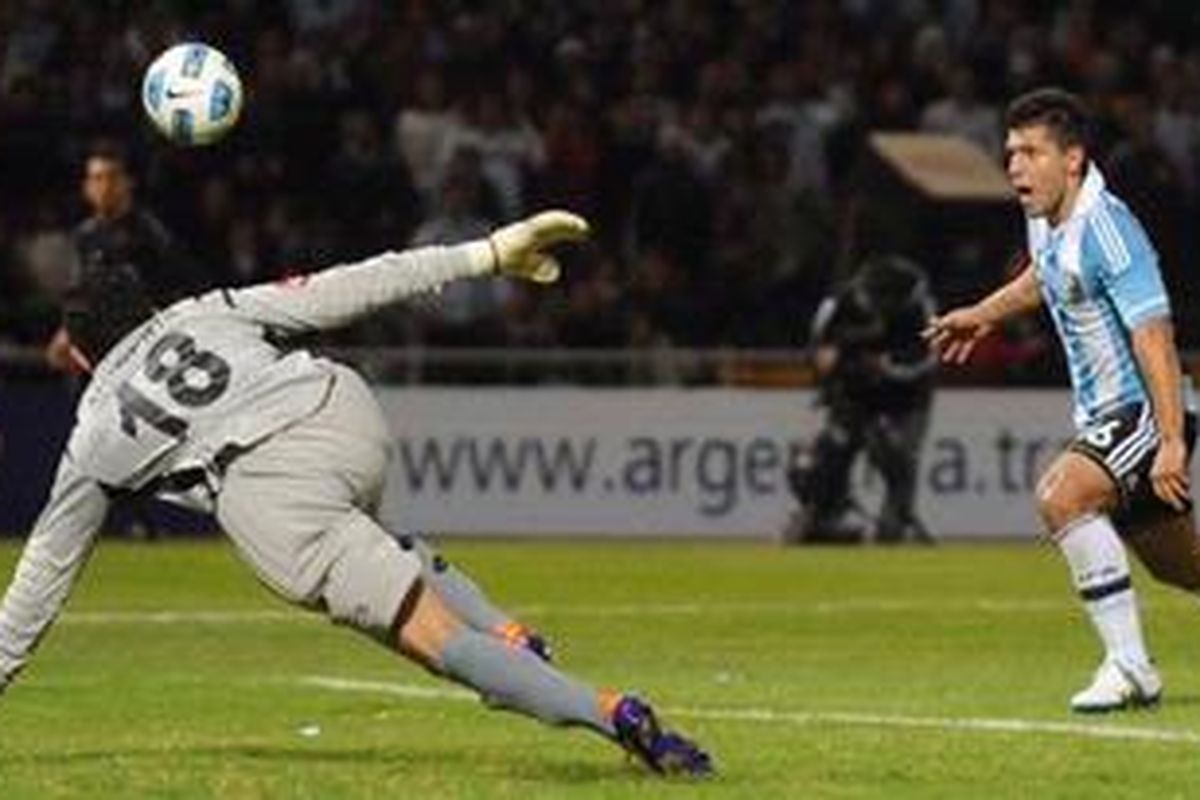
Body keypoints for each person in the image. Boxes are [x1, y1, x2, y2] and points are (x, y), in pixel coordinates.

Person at [0, 210, 713, 777]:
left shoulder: (94, 432)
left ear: (85, 354)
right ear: (146, 307)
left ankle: (614, 713)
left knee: (444, 649)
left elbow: (41, 579)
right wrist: (488, 253)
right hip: (341, 411)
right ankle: (508, 631)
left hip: (276, 495)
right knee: (380, 548)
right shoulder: (202, 310)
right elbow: (351, 284)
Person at [925, 88, 1200, 713]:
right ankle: (1133, 666)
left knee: (1062, 495)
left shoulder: (1111, 230)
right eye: (1010, 152)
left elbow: (1155, 337)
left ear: (1071, 159)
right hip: (1111, 417)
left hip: (1145, 411)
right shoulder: (1046, 219)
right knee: (1182, 568)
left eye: (1030, 152)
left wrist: (1171, 439)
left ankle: (1131, 668)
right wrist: (983, 314)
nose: (1015, 166)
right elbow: (1044, 277)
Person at [782, 255, 937, 545]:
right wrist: (831, 365)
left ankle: (895, 524)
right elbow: (817, 352)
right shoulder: (837, 305)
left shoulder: (918, 308)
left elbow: (926, 358)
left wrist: (886, 366)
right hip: (852, 394)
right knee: (820, 460)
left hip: (905, 399)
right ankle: (825, 515)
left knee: (896, 459)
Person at [47, 141, 209, 373]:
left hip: (150, 355)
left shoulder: (153, 234)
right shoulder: (83, 236)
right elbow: (80, 296)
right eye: (96, 178)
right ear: (86, 187)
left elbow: (186, 290)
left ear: (128, 182)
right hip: (102, 357)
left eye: (112, 176)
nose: (104, 186)